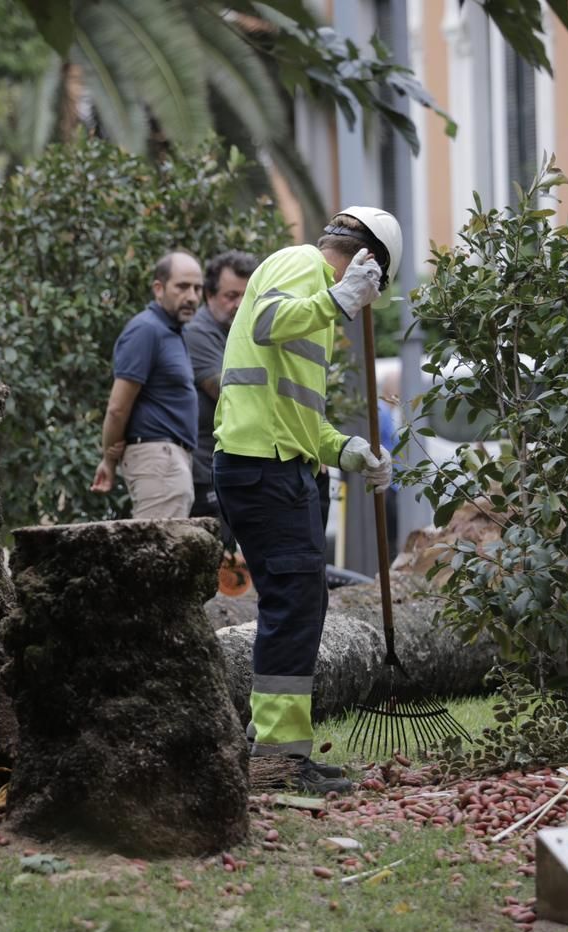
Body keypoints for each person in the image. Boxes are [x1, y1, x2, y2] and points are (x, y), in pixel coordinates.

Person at [212, 207, 402, 794]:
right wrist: (340, 300)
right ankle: (277, 758)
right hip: (261, 468)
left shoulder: (318, 311)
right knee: (294, 604)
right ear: (368, 266)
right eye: (373, 291)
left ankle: (274, 748)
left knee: (300, 603)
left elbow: (303, 421)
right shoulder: (300, 267)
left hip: (281, 468)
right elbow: (269, 322)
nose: (364, 306)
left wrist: (351, 451)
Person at [90, 252, 203, 519]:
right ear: (158, 288)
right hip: (158, 459)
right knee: (159, 554)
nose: (192, 297)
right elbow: (117, 407)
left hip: (171, 459)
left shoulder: (174, 332)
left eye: (198, 288)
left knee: (167, 552)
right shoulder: (146, 330)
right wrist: (108, 458)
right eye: (182, 286)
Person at [183, 250, 257, 521]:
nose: (240, 304)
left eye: (246, 296)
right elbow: (232, 395)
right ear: (209, 296)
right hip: (203, 472)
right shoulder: (197, 333)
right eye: (231, 296)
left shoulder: (245, 331)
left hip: (233, 467)